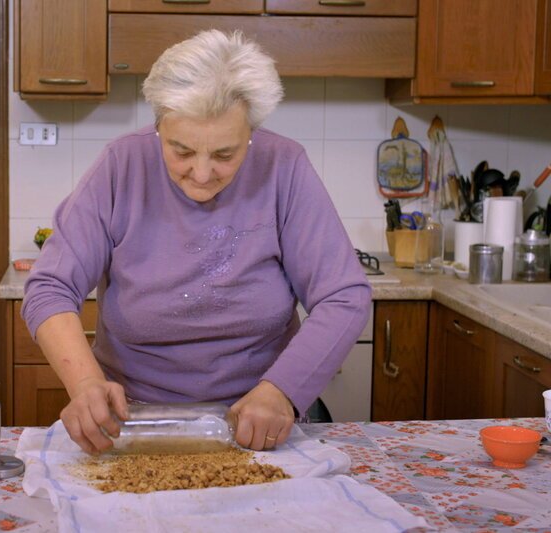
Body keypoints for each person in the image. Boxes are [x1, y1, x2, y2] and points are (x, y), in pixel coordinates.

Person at [21, 29, 372, 455]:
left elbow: (344, 295)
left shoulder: (285, 167)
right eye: (181, 151)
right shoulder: (120, 166)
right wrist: (86, 383)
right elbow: (50, 287)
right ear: (158, 127)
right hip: (133, 421)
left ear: (251, 133)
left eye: (225, 154)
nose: (202, 174)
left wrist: (281, 391)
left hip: (258, 418)